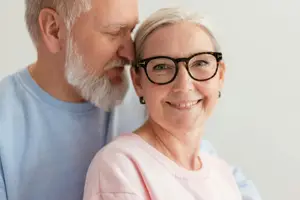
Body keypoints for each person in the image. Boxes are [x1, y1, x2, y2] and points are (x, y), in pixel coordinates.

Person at [0, 0, 260, 200]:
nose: (129, 51)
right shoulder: (6, 120)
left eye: (131, 31)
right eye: (114, 32)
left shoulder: (151, 100)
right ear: (54, 30)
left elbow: (213, 178)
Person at [83, 7, 262, 200]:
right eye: (162, 67)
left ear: (220, 75)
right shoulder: (121, 167)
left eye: (200, 63)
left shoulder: (223, 176)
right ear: (138, 82)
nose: (184, 85)